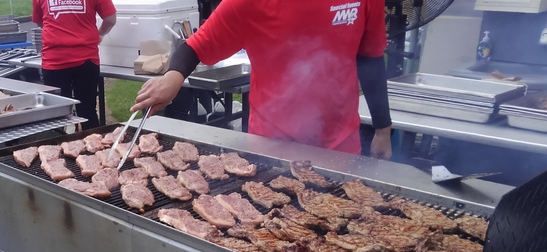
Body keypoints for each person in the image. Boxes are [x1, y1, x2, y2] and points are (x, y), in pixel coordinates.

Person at [131, 0, 394, 160]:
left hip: (341, 145)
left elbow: (370, 58)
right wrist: (173, 77)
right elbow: (196, 46)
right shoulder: (250, 2)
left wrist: (383, 130)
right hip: (271, 146)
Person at [32, 0, 117, 130]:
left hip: (55, 60)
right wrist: (99, 34)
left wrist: (60, 30)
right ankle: (94, 146)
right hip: (85, 59)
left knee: (58, 114)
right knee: (87, 110)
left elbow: (40, 21)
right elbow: (110, 19)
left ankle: (60, 146)